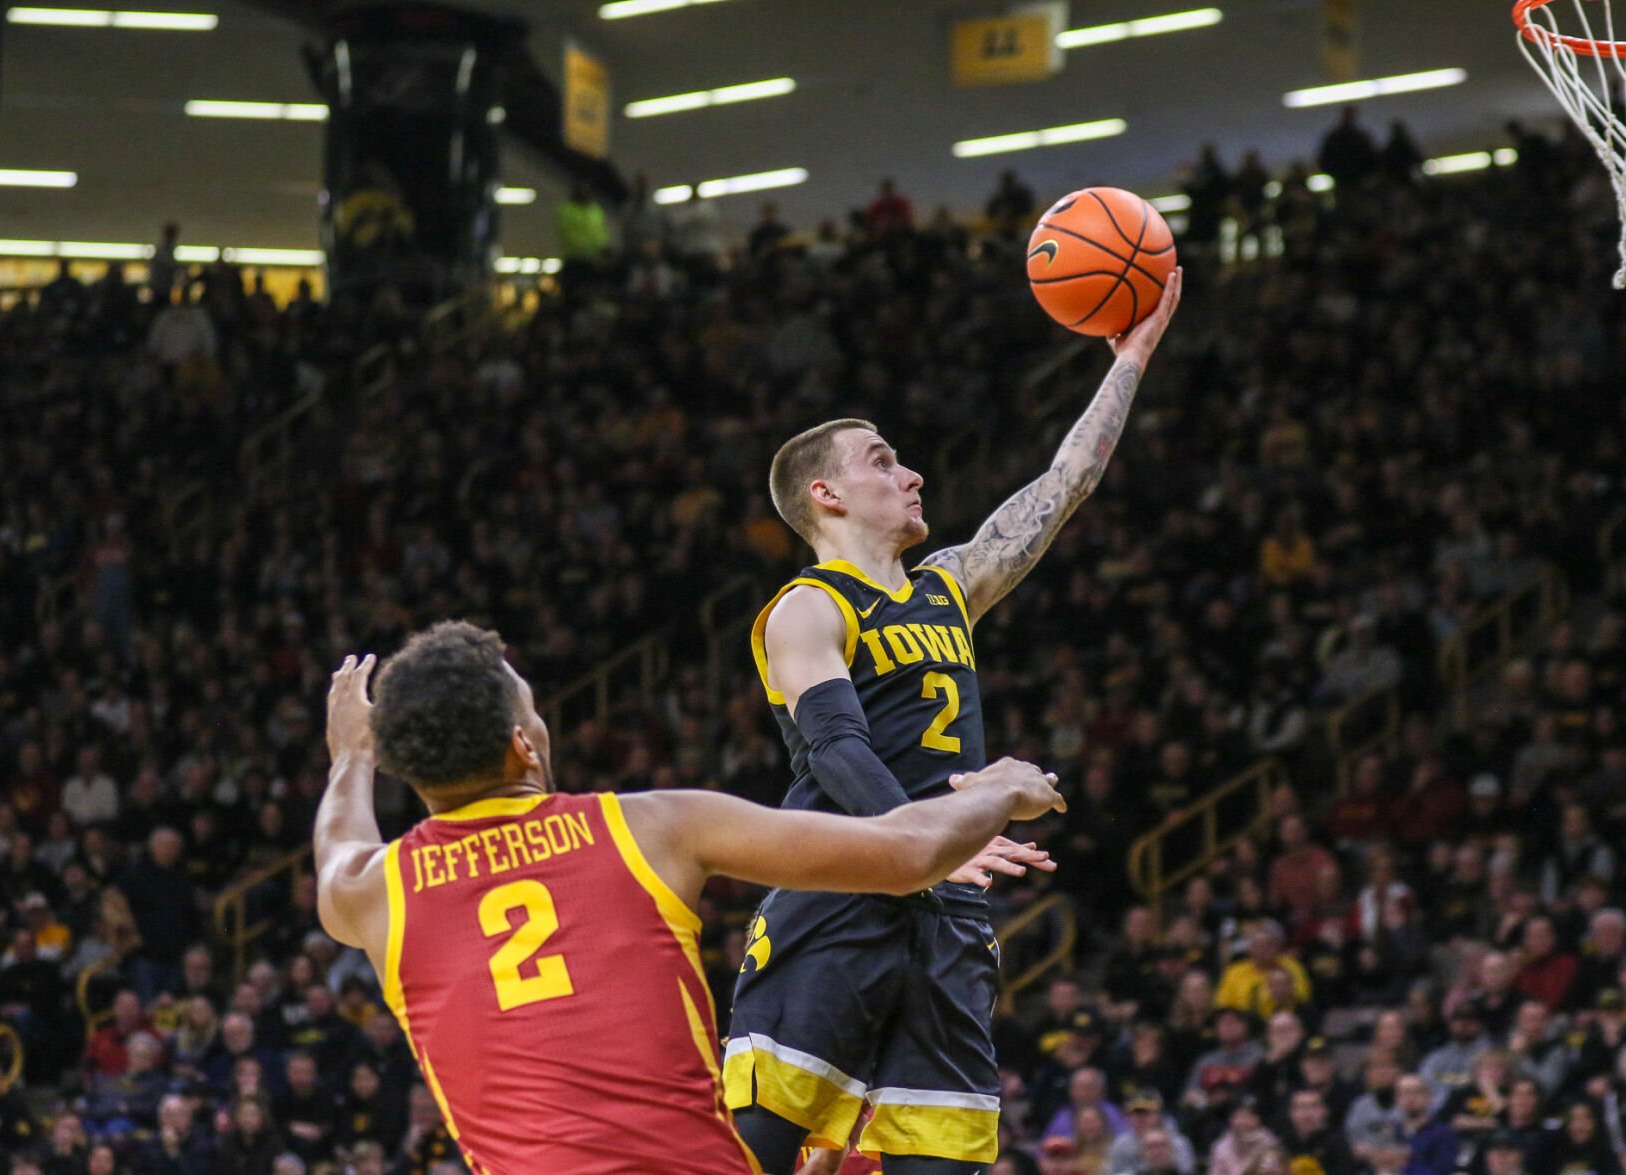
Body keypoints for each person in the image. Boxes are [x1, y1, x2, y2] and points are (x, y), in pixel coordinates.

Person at [312, 627, 1067, 1174]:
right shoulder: (646, 825)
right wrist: (1000, 788)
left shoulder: (376, 890)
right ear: (524, 745)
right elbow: (907, 856)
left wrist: (350, 755)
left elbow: (338, 843)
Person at [723, 272, 1182, 1172]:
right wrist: (928, 838)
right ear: (825, 494)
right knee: (750, 1158)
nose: (911, 472)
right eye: (882, 460)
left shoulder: (947, 585)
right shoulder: (806, 607)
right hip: (841, 894)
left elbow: (1067, 481)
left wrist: (1129, 358)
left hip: (946, 909)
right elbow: (835, 745)